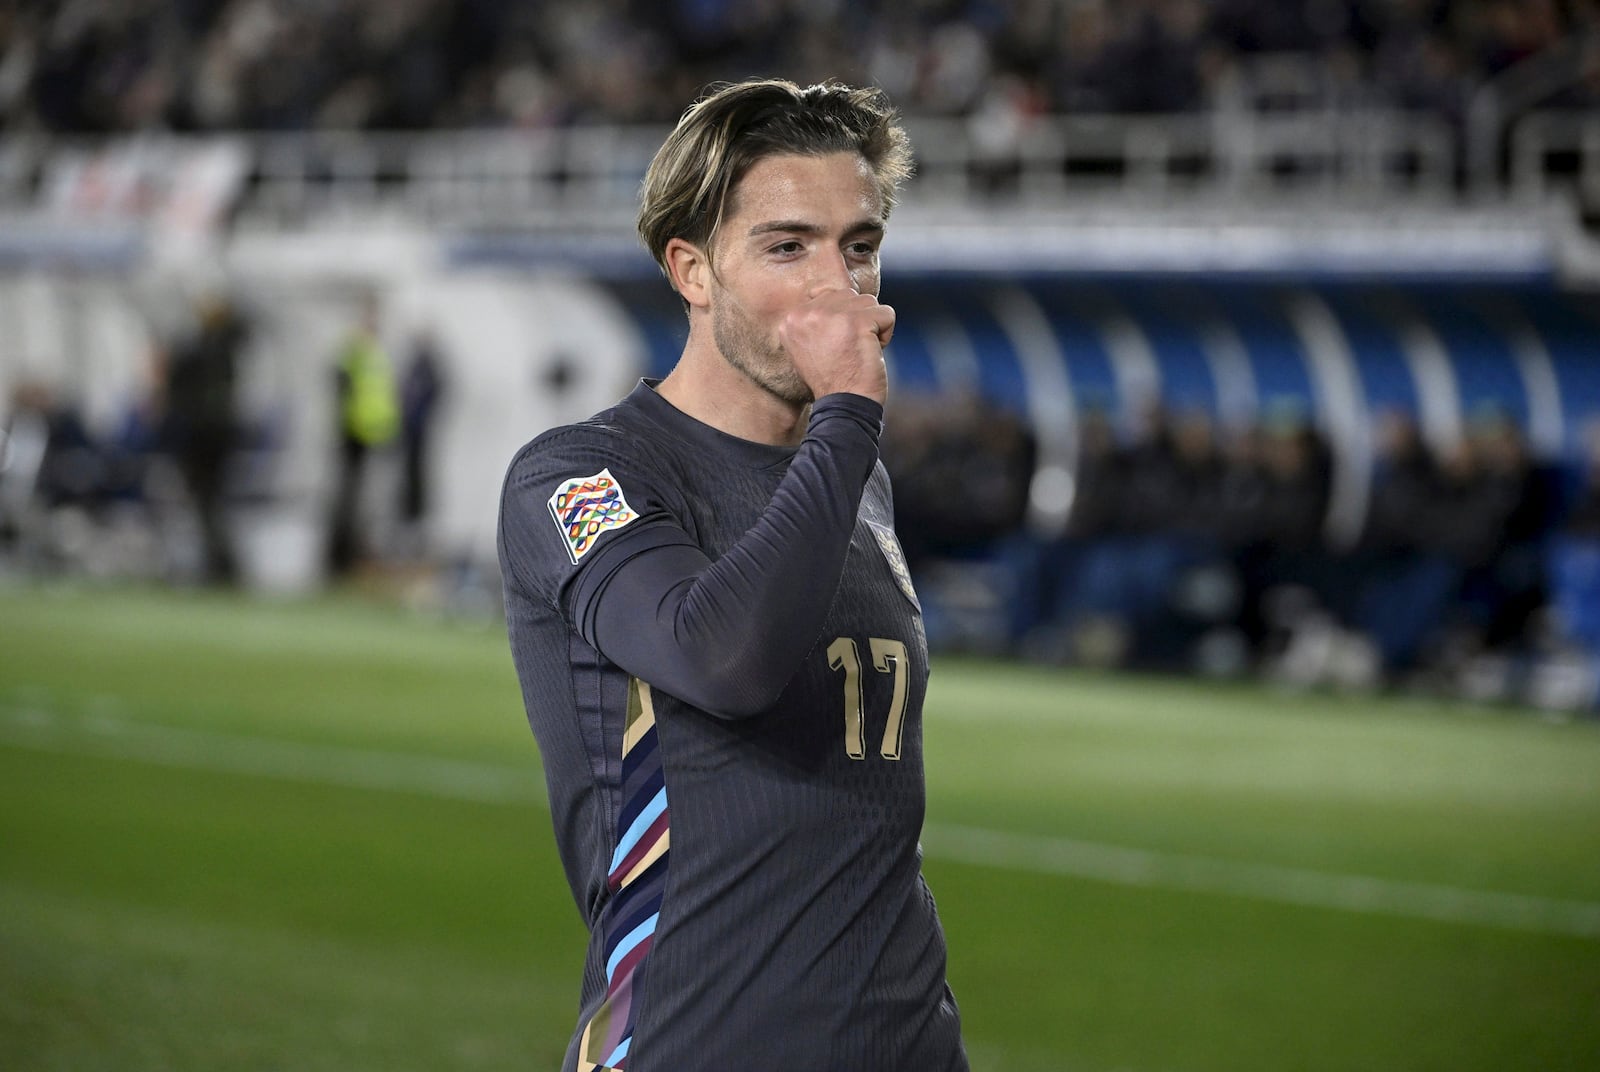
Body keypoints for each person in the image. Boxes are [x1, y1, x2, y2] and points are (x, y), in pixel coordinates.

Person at [497, 79, 968, 1071]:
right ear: (693, 270)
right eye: (786, 246)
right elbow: (719, 658)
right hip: (692, 1040)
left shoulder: (855, 477)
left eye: (860, 248)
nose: (835, 288)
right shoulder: (580, 475)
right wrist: (846, 419)